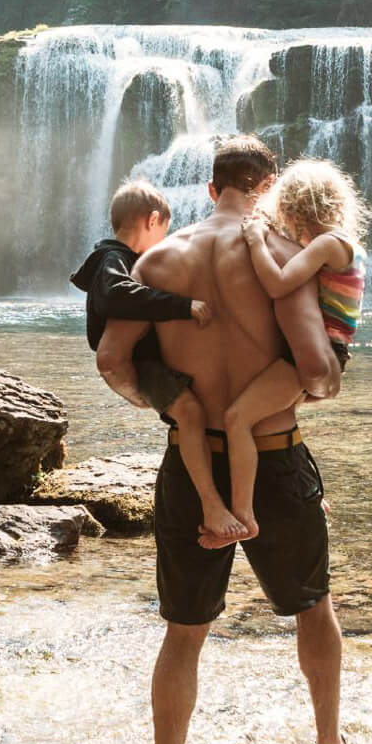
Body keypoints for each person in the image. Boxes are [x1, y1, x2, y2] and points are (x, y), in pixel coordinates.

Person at [95, 135, 351, 744]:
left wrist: (170, 403)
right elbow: (317, 373)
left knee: (184, 632)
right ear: (269, 190)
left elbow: (111, 362)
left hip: (191, 465)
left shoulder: (157, 264)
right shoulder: (287, 256)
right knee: (313, 607)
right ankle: (328, 741)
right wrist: (311, 385)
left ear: (210, 190)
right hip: (276, 456)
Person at [70, 180, 245, 543]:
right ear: (152, 221)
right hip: (145, 364)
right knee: (191, 414)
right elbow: (116, 296)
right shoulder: (112, 260)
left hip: (150, 361)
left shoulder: (116, 258)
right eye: (165, 229)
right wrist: (182, 305)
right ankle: (211, 504)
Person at [221, 159, 368, 542]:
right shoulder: (345, 244)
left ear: (295, 206)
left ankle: (243, 517)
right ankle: (309, 498)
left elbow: (279, 282)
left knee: (237, 419)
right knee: (279, 420)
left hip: (317, 353)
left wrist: (255, 239)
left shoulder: (327, 244)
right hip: (329, 353)